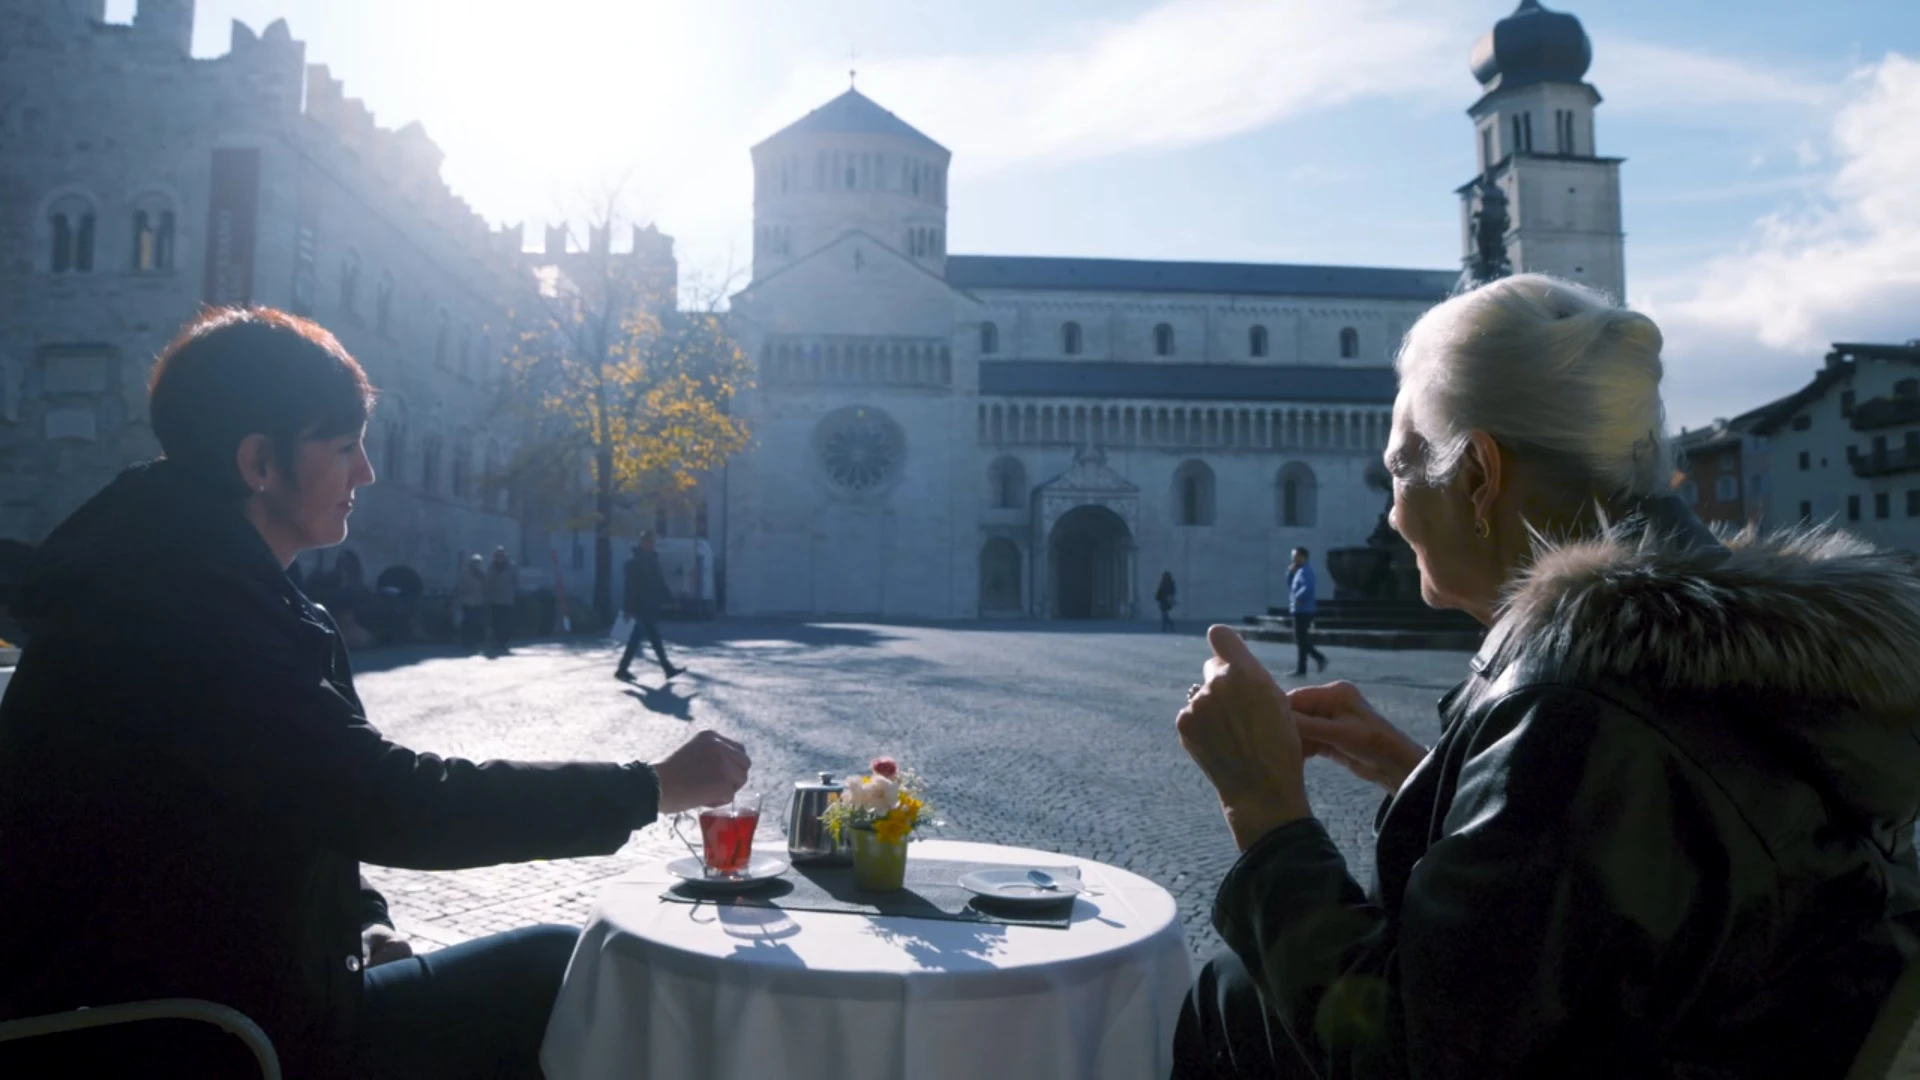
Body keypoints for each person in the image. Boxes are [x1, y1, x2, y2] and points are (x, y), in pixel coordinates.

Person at [1170, 275, 1920, 1079]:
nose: (1390, 513)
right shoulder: (1739, 658)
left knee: (1231, 994)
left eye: (1399, 468)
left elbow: (1407, 1054)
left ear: (1480, 474)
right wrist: (1429, 775)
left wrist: (1266, 808)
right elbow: (1628, 869)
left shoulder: (1575, 710)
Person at [0, 308, 752, 1080]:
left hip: (254, 995)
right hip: (181, 1037)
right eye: (343, 446)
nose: (366, 472)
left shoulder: (210, 583)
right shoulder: (172, 607)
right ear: (259, 462)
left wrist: (365, 922)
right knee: (558, 979)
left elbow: (302, 798)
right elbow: (388, 800)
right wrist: (650, 787)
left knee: (552, 974)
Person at [617, 531, 685, 682]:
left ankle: (623, 669)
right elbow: (630, 588)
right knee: (647, 638)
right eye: (648, 542)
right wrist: (628, 609)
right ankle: (666, 668)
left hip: (650, 605)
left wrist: (671, 600)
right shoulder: (633, 562)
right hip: (639, 607)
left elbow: (660, 582)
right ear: (642, 543)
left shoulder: (653, 559)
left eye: (652, 542)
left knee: (647, 639)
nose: (650, 544)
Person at [1285, 546, 1327, 676]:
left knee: (1300, 640)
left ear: (1303, 557)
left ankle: (1319, 659)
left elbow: (1308, 587)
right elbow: (1291, 586)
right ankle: (1302, 668)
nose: (1293, 559)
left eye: (1295, 556)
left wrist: (1299, 598)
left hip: (1303, 610)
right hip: (1299, 609)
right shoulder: (1298, 571)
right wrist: (1290, 574)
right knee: (1301, 639)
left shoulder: (1305, 571)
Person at [484, 546, 516, 653]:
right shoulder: (491, 567)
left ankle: (504, 641)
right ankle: (496, 640)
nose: (499, 557)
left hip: (507, 599)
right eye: (497, 555)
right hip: (494, 599)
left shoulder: (511, 567)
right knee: (495, 622)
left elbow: (515, 580)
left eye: (501, 555)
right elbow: (488, 581)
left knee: (506, 622)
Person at [453, 553, 487, 650]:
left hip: (479, 602)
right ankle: (466, 640)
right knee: (468, 622)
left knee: (478, 622)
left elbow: (486, 586)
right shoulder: (466, 574)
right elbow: (460, 586)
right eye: (475, 562)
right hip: (468, 602)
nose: (477, 564)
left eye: (478, 562)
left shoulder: (483, 574)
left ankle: (477, 640)